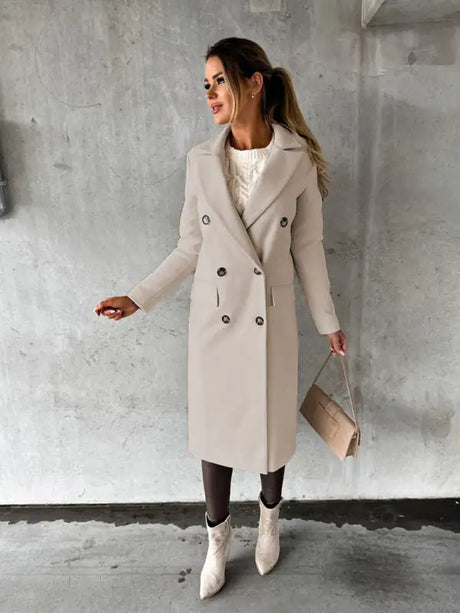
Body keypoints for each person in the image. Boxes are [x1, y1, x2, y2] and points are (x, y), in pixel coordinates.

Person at [94, 36, 347, 600]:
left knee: (271, 426)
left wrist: (327, 320)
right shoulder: (201, 162)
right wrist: (137, 297)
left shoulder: (297, 160)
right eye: (205, 85)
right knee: (215, 433)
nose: (210, 94)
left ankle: (270, 521)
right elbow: (190, 247)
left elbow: (308, 249)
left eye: (219, 81)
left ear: (254, 83)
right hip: (216, 319)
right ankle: (216, 541)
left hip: (269, 319)